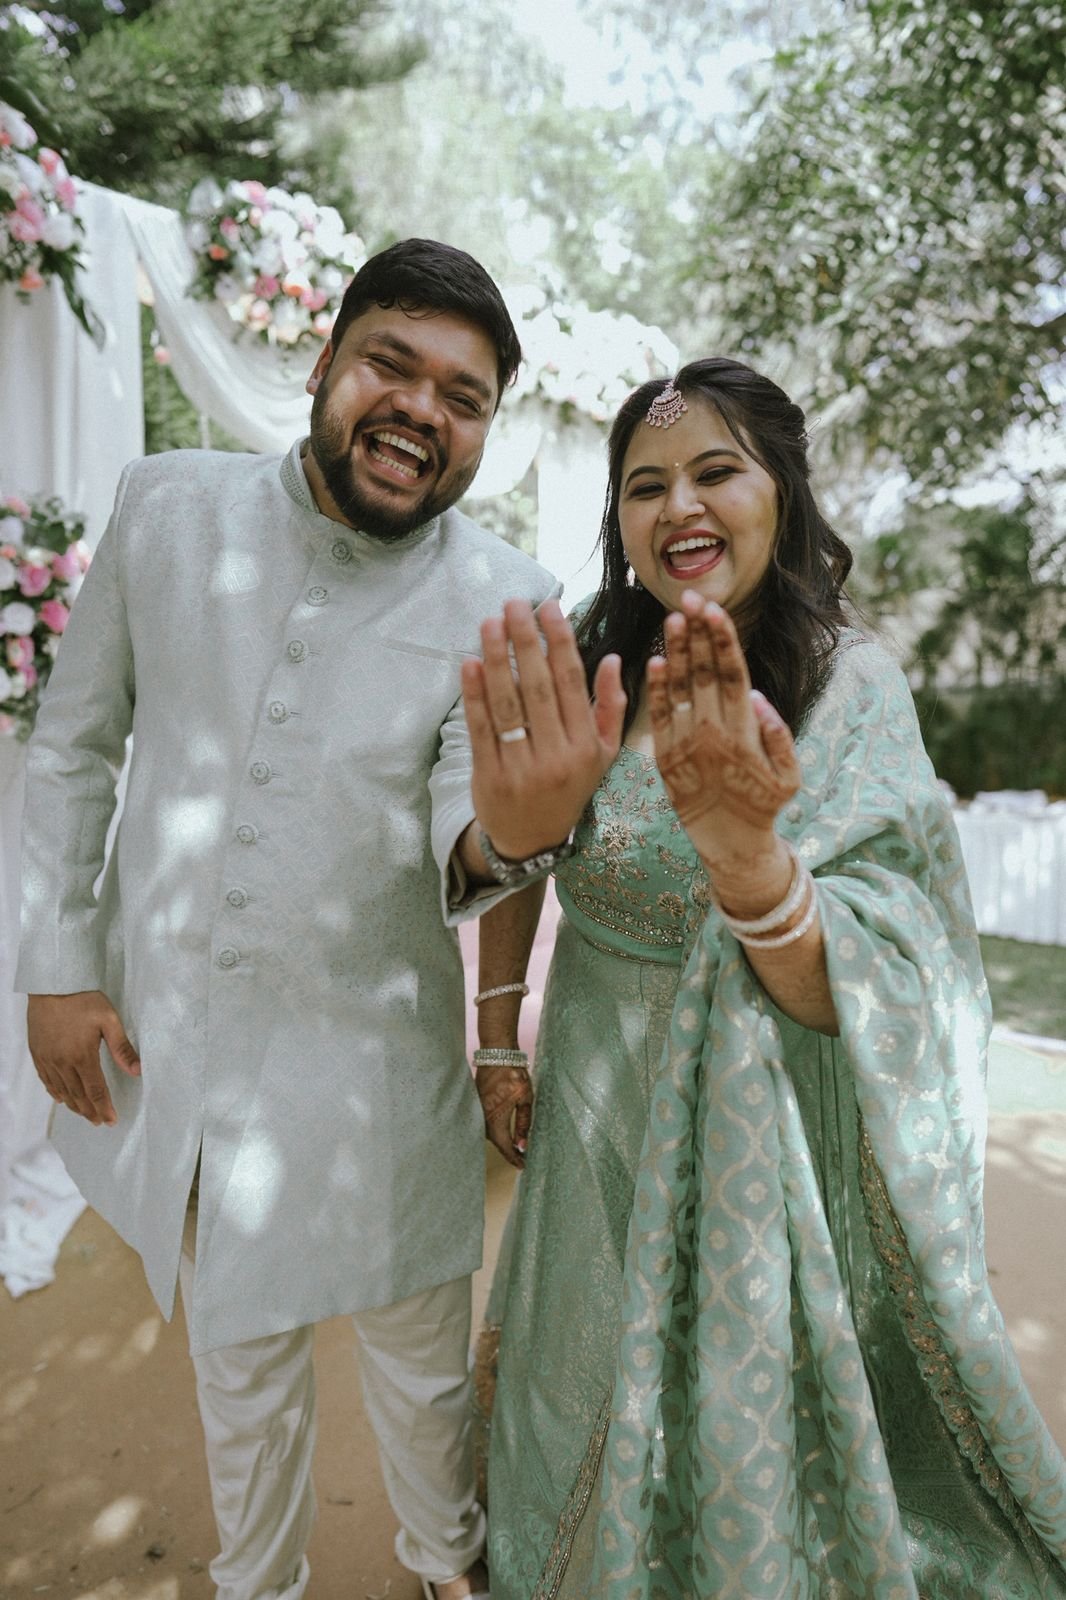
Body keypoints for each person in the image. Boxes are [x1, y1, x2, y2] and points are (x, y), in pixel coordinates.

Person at [460, 360, 1066, 1598]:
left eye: (714, 470)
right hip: (594, 1109)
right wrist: (497, 1034)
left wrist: (753, 873)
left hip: (764, 1145)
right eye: (644, 486)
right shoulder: (591, 665)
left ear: (780, 489)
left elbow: (894, 979)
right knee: (570, 1390)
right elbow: (524, 848)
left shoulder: (851, 688)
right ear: (620, 525)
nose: (677, 504)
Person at [16, 238, 562, 1600]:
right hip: (198, 1069)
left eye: (465, 395)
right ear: (323, 362)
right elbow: (75, 749)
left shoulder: (510, 600)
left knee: (424, 1374)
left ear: (485, 429)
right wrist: (58, 966)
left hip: (385, 1081)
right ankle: (256, 1587)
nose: (422, 410)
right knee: (239, 1377)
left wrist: (513, 826)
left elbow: (467, 831)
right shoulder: (166, 507)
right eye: (394, 363)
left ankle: (448, 1567)